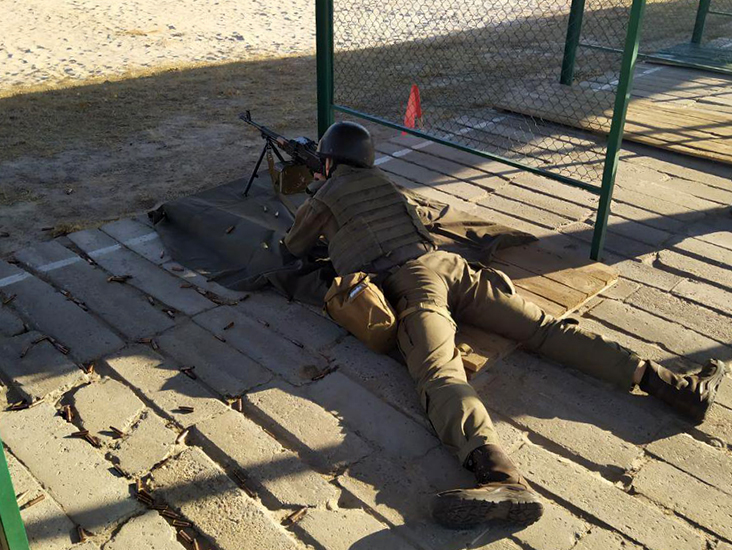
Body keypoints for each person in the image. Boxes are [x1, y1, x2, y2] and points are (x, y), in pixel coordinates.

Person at [282, 121, 727, 529]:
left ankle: (500, 477)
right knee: (546, 329)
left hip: (409, 283)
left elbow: (293, 247)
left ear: (328, 162)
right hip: (452, 267)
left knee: (439, 374)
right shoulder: (384, 182)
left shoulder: (325, 195)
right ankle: (671, 384)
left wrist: (315, 193)